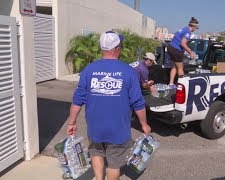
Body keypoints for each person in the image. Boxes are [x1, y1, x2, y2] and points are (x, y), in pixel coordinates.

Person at [66, 30, 151, 180]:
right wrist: (144, 124)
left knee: (96, 153)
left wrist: (72, 122)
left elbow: (78, 99)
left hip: (95, 127)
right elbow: (138, 102)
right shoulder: (129, 71)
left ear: (102, 49)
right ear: (117, 49)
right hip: (118, 130)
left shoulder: (89, 70)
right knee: (114, 164)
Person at [167, 17, 199, 88]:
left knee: (175, 66)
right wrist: (190, 52)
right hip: (176, 49)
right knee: (180, 68)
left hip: (170, 47)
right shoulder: (188, 32)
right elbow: (183, 43)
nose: (195, 29)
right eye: (196, 28)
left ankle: (171, 84)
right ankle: (182, 86)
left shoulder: (184, 29)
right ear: (194, 26)